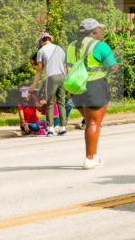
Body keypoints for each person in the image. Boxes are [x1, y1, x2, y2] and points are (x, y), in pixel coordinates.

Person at [67, 18, 119, 170]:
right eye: (99, 28)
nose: (100, 31)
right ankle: (89, 159)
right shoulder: (100, 46)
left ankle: (94, 155)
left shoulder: (70, 46)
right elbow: (113, 67)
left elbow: (67, 68)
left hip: (76, 87)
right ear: (93, 31)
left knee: (90, 122)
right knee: (93, 123)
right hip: (94, 86)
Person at [30, 32, 68, 135]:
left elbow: (39, 70)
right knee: (61, 102)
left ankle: (50, 129)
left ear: (42, 41)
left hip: (51, 77)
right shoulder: (59, 48)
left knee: (50, 103)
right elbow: (65, 66)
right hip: (62, 76)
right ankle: (63, 128)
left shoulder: (41, 51)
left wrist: (33, 85)